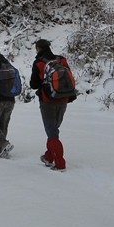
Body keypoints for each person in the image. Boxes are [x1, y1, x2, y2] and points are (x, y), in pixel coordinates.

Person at [30, 38, 77, 170]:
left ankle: (60, 163)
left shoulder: (38, 63)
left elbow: (33, 85)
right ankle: (48, 157)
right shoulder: (61, 59)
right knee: (53, 130)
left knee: (52, 133)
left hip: (47, 101)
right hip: (63, 99)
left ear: (38, 48)